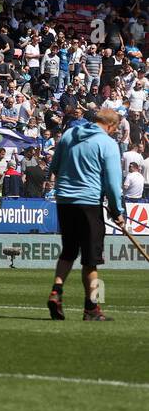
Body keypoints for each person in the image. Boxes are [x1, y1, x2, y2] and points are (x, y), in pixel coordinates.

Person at [47, 108, 123, 321]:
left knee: (68, 251)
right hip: (89, 203)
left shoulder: (69, 134)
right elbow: (112, 182)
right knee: (91, 259)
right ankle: (91, 308)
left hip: (64, 201)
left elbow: (54, 167)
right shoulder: (107, 143)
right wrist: (117, 211)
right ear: (111, 126)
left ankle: (56, 291)